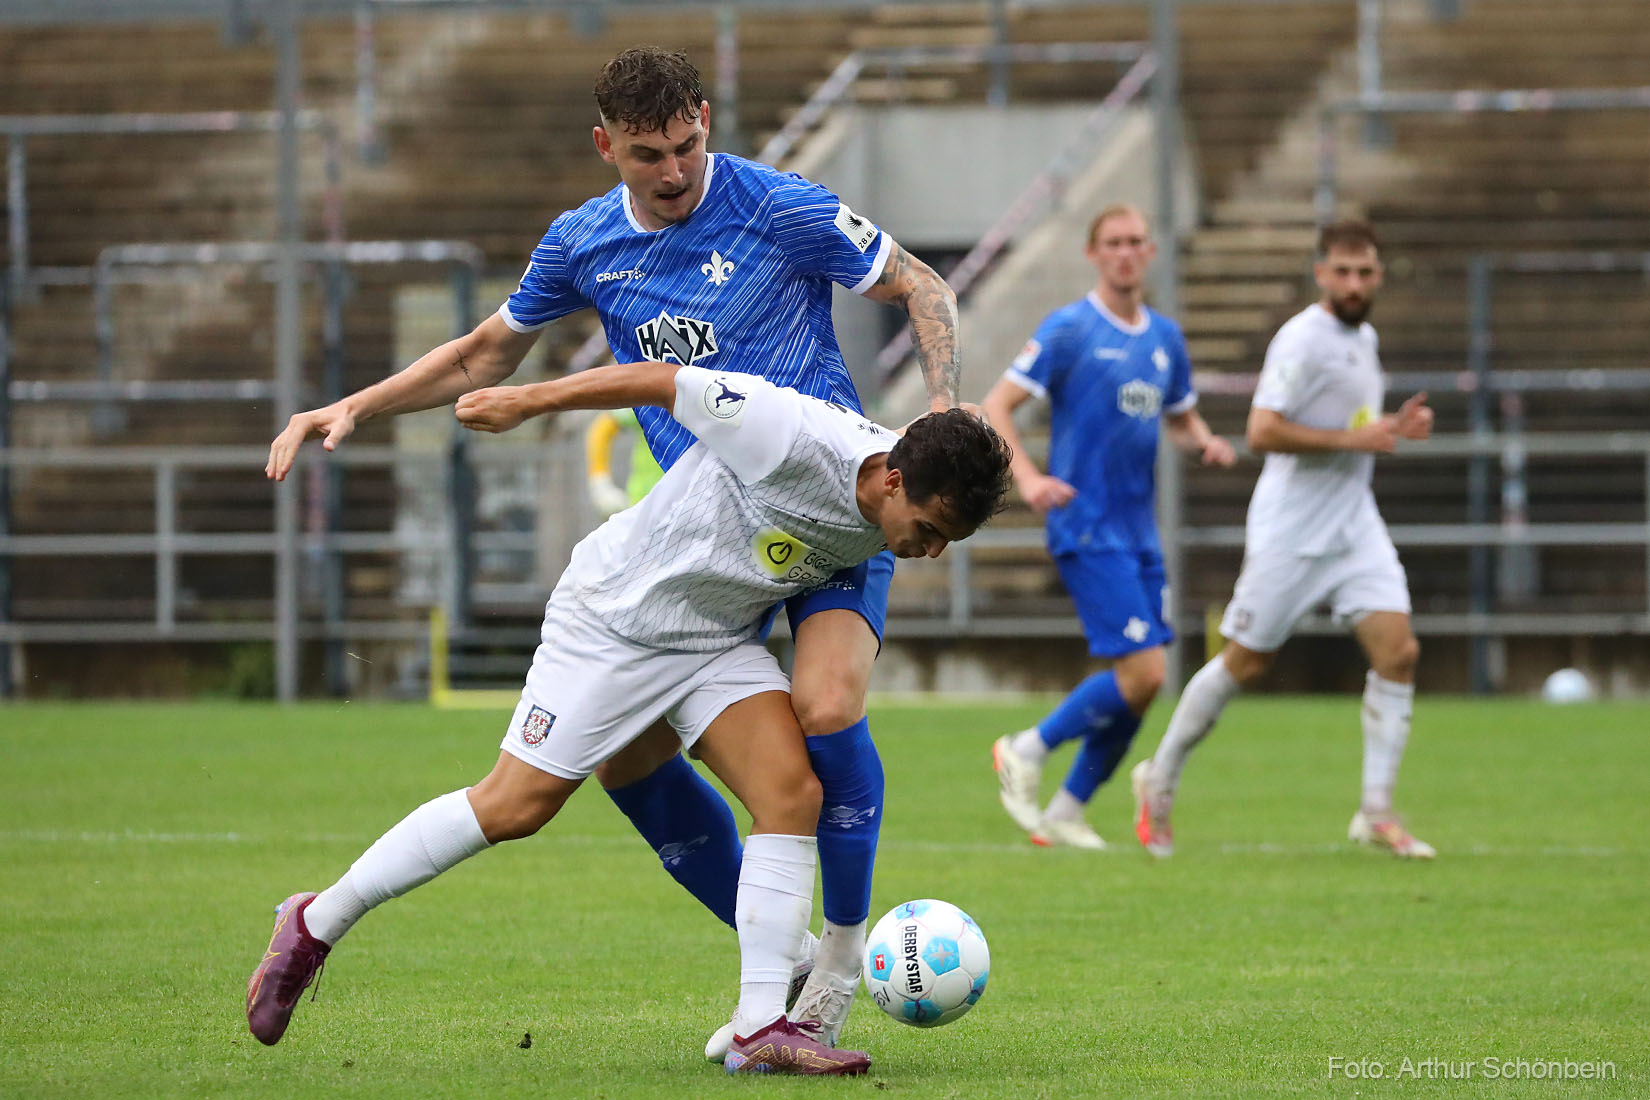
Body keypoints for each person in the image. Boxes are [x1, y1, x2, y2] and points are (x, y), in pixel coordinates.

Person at [265, 46, 964, 1054]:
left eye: (688, 146)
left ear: (708, 123)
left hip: (831, 513)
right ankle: (774, 980)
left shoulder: (778, 208)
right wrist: (355, 404)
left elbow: (920, 285)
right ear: (607, 147)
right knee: (598, 776)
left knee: (821, 712)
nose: (676, 171)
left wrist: (939, 421)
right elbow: (484, 353)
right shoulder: (583, 243)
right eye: (649, 155)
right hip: (691, 556)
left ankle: (829, 964)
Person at [249, 359, 1013, 1073]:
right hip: (615, 623)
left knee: (791, 795)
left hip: (713, 641)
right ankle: (317, 920)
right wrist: (525, 400)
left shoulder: (901, 491)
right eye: (933, 527)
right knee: (514, 807)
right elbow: (659, 380)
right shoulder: (789, 432)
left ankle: (758, 1027)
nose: (934, 549)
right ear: (892, 478)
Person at [1131, 219, 1436, 860]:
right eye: (1343, 271)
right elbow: (1263, 430)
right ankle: (1159, 779)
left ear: (1378, 276)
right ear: (1321, 273)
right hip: (1292, 530)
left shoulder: (1365, 337)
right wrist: (1358, 439)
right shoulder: (1301, 339)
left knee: (1399, 652)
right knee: (1247, 661)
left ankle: (1375, 810)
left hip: (1354, 524)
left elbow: (1345, 422)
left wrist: (1387, 427)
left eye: (1366, 272)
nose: (1355, 283)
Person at [980, 204, 1235, 849]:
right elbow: (996, 406)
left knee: (1143, 686)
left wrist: (1204, 441)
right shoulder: (1069, 330)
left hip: (1139, 533)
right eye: (1113, 243)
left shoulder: (1165, 339)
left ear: (1150, 254)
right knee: (1144, 674)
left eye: (1136, 243)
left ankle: (1068, 810)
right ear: (1093, 254)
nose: (1125, 253)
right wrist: (1030, 480)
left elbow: (1179, 417)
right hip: (1086, 526)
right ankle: (1025, 747)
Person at [585, 407, 663, 516]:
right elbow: (604, 427)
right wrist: (600, 482)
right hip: (644, 503)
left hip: (686, 502)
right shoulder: (655, 398)